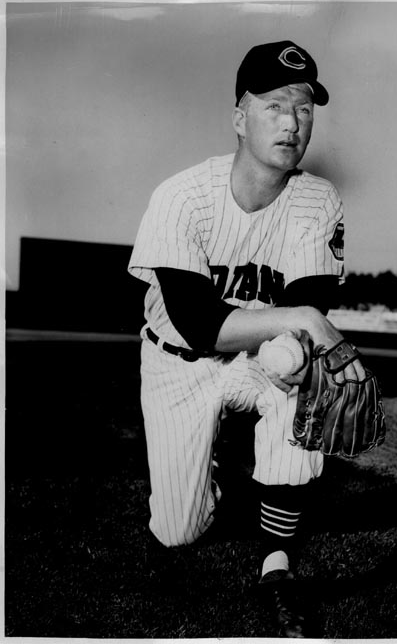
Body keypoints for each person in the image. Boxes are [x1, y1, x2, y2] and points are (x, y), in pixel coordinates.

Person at [128, 39, 366, 638]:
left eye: (304, 107)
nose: (292, 123)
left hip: (255, 358)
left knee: (296, 370)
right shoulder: (182, 197)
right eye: (274, 105)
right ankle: (213, 463)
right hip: (179, 361)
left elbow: (307, 310)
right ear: (239, 118)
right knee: (178, 531)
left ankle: (276, 562)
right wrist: (307, 322)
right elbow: (200, 325)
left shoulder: (317, 200)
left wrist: (303, 338)